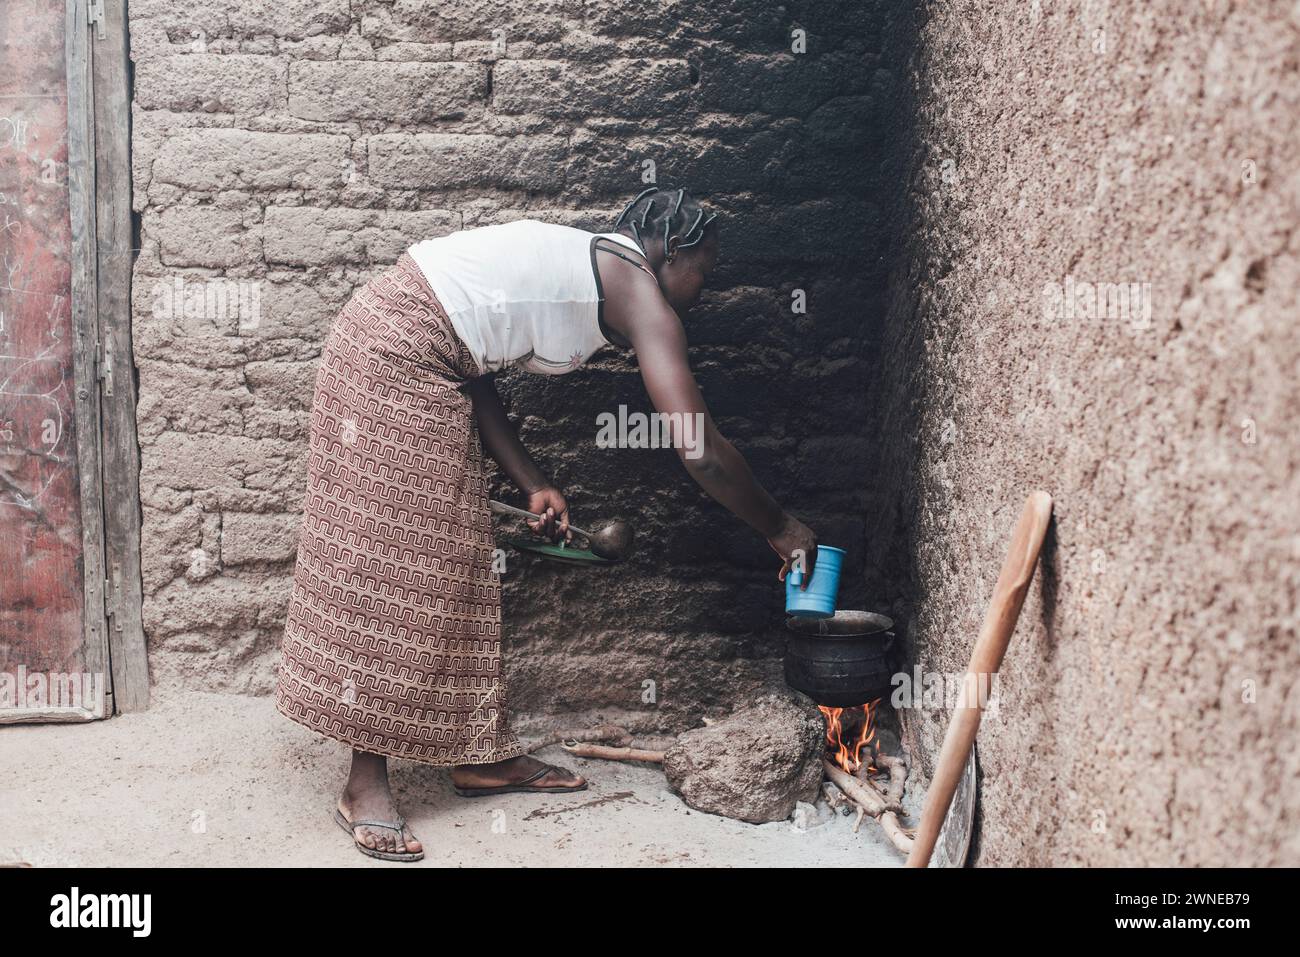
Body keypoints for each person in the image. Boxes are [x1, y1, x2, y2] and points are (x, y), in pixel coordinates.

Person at [275, 187, 819, 861]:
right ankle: (364, 784)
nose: (703, 288)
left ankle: (478, 755)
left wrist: (532, 482)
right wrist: (781, 526)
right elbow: (700, 450)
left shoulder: (603, 268)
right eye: (703, 269)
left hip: (414, 350)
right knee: (406, 567)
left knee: (459, 562)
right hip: (390, 357)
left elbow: (473, 369)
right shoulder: (642, 297)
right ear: (669, 252)